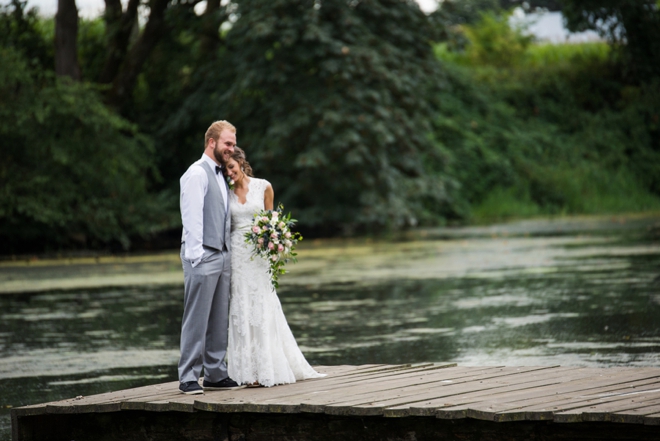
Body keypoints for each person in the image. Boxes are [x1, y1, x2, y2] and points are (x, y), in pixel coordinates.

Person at [224, 147, 326, 387]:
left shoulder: (264, 187)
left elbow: (272, 222)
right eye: (225, 169)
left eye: (231, 167)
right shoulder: (224, 192)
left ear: (240, 162)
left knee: (262, 303)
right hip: (237, 256)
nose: (229, 173)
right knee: (240, 304)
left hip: (258, 256)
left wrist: (275, 242)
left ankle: (267, 367)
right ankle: (246, 372)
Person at [177, 120, 244, 395]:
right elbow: (191, 218)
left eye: (233, 143)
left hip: (223, 254)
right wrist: (196, 258)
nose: (232, 148)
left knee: (218, 318)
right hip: (202, 254)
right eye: (228, 143)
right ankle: (188, 376)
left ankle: (215, 372)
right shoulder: (196, 173)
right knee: (197, 317)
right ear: (212, 142)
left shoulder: (221, 172)